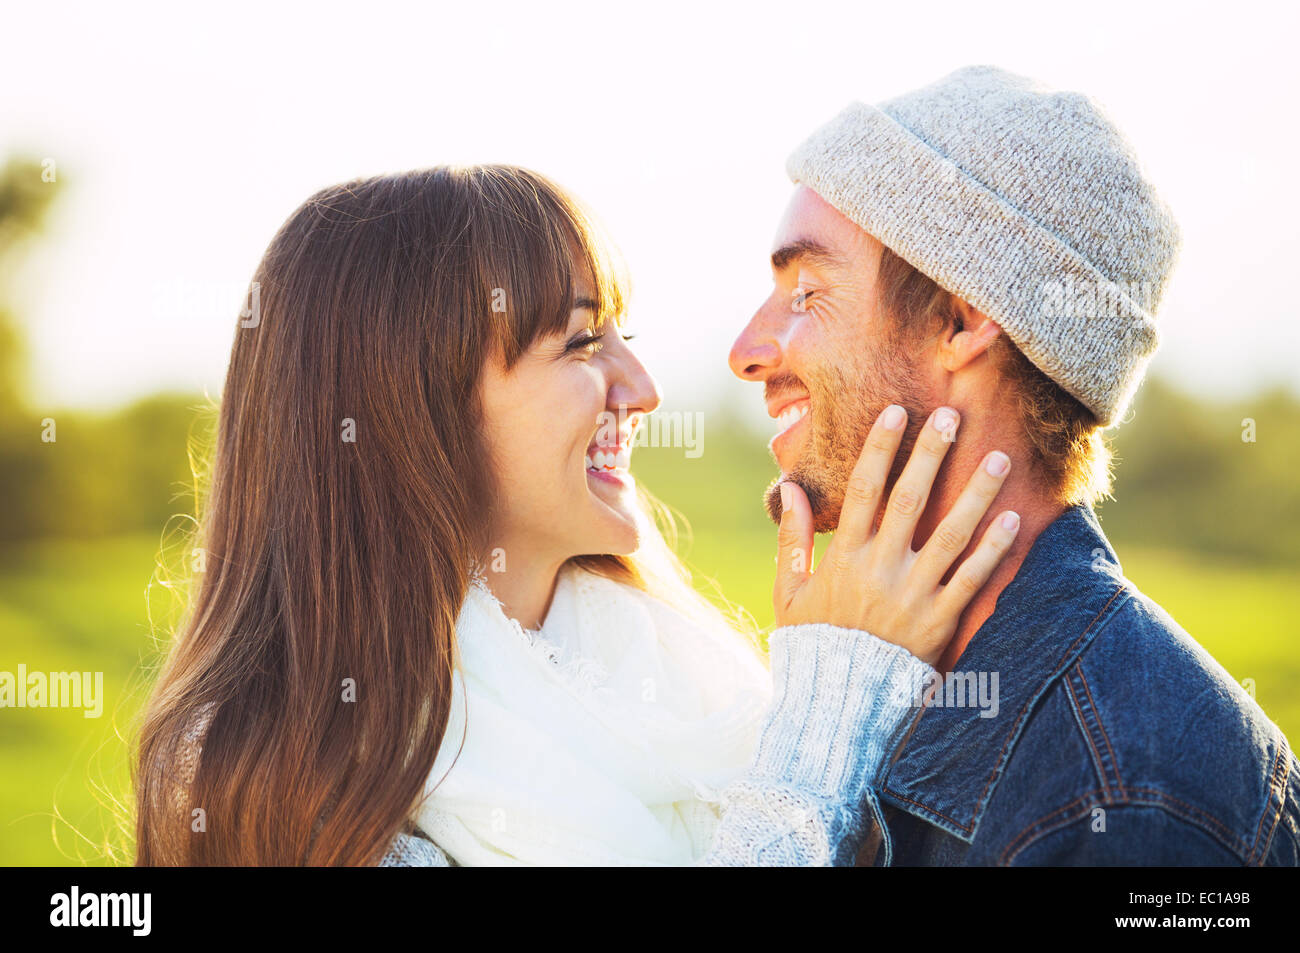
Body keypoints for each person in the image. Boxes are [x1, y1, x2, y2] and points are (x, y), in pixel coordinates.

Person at [134, 164, 1018, 867]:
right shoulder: (291, 794)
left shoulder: (684, 675)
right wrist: (830, 717)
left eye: (623, 335)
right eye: (582, 341)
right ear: (416, 412)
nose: (642, 389)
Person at [729, 65, 1300, 864]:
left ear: (961, 321)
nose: (746, 352)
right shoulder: (898, 688)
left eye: (807, 289)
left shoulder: (1121, 806)